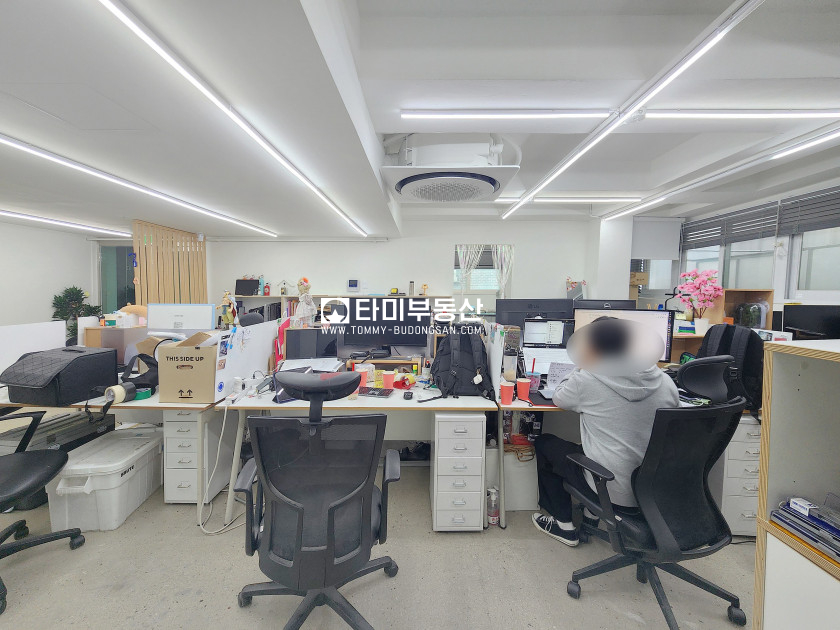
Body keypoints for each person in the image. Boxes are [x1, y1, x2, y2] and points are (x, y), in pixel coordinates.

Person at [532, 317, 679, 546]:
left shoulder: (587, 379)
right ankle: (591, 517)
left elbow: (560, 397)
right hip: (653, 487)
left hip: (610, 485)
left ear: (591, 346)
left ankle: (564, 526)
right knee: (597, 448)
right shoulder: (665, 380)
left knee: (545, 444)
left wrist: (583, 364)